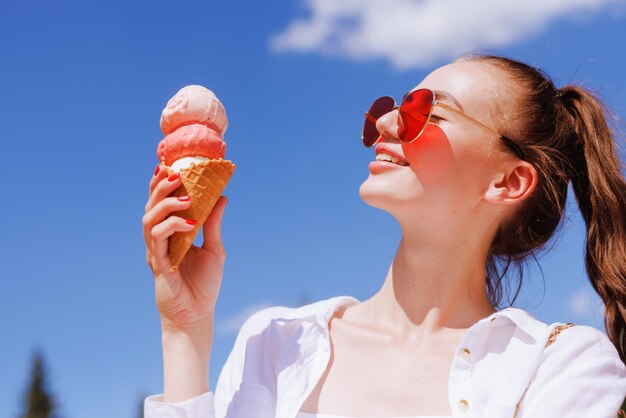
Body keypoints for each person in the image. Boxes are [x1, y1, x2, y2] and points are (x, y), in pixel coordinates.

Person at [141, 54, 626, 418]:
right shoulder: (277, 343)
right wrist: (184, 332)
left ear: (508, 181)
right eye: (393, 106)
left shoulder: (559, 368)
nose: (387, 123)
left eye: (427, 113)